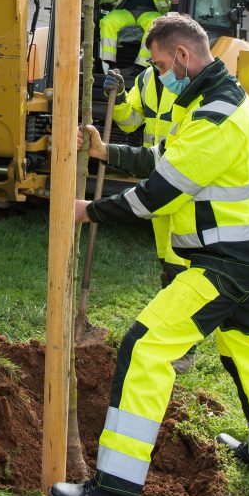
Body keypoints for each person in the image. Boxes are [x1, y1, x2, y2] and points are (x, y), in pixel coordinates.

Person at [51, 13, 249, 496]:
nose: (157, 75)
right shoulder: (209, 99)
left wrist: (86, 211)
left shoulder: (215, 115)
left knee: (144, 350)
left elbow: (157, 195)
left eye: (159, 64)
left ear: (182, 55)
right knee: (246, 351)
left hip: (224, 264)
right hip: (247, 256)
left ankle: (113, 493)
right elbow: (166, 157)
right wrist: (105, 150)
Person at [88, 64, 196, 373]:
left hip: (186, 180)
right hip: (157, 176)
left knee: (182, 269)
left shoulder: (196, 82)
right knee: (167, 265)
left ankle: (184, 348)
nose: (157, 65)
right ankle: (170, 336)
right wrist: (119, 93)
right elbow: (131, 120)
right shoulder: (148, 79)